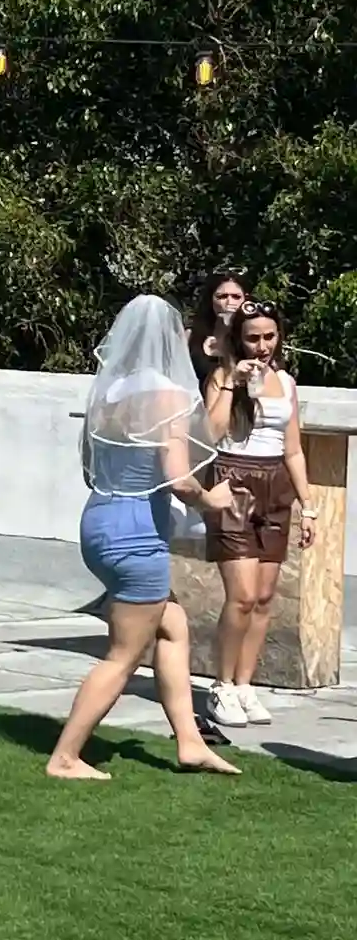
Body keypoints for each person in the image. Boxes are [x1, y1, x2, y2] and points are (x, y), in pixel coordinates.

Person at [46, 295, 240, 782]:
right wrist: (211, 501)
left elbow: (91, 468)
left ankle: (190, 742)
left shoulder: (108, 394)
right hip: (136, 535)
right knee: (124, 655)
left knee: (172, 625)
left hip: (99, 522)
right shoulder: (169, 396)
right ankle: (65, 756)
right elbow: (179, 480)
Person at [203, 301, 316, 729]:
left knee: (265, 597)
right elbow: (210, 433)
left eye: (270, 336)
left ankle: (245, 684)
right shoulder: (221, 377)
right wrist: (232, 382)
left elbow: (293, 449)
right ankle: (222, 686)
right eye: (253, 338)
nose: (263, 346)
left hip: (275, 486)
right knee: (243, 596)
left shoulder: (285, 382)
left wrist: (309, 506)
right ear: (238, 339)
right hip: (233, 480)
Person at [188, 268, 247, 389]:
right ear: (211, 299)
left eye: (236, 297)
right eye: (222, 296)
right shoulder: (191, 336)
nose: (229, 302)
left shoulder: (253, 337)